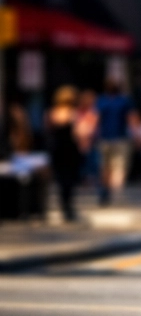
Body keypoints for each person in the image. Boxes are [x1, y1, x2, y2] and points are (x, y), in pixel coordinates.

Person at [95, 78, 135, 206]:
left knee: (105, 167)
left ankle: (106, 191)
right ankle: (113, 191)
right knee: (117, 167)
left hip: (106, 138)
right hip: (118, 139)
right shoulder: (124, 101)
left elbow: (95, 119)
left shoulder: (102, 101)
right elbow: (131, 119)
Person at [46, 86, 82, 222]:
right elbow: (77, 132)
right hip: (70, 149)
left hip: (57, 149)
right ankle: (68, 208)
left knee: (61, 179)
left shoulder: (52, 112)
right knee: (70, 180)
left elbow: (48, 130)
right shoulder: (73, 113)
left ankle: (64, 206)